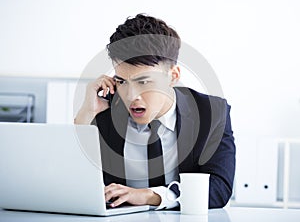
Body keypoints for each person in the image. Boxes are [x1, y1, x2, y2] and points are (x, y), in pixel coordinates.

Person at [75, 13, 236, 210]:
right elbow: (70, 182)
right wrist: (85, 116)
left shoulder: (211, 113)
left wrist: (151, 196)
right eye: (122, 81)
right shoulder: (104, 110)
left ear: (173, 76)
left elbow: (219, 189)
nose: (131, 95)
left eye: (143, 82)